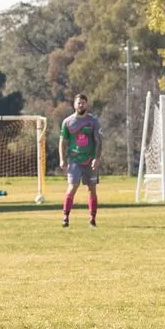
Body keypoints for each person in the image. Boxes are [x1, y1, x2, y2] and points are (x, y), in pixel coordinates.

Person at [58, 93, 102, 228]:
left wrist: (97, 158)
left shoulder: (93, 121)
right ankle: (65, 217)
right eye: (78, 102)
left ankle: (92, 219)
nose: (81, 104)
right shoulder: (67, 122)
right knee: (72, 187)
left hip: (90, 160)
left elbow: (98, 141)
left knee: (92, 189)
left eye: (83, 102)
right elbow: (62, 141)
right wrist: (62, 159)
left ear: (86, 104)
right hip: (74, 160)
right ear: (74, 104)